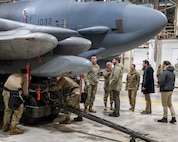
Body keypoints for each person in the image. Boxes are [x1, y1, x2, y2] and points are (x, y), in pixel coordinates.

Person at [2, 69, 28, 135]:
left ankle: (5, 126)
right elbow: (25, 93)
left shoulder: (13, 75)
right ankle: (13, 129)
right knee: (19, 110)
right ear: (26, 74)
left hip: (5, 91)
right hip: (14, 94)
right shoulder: (24, 78)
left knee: (8, 109)